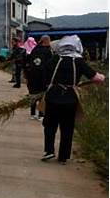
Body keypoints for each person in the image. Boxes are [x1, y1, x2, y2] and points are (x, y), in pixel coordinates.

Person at [41, 35, 105, 164]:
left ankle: (49, 151)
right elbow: (96, 78)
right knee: (67, 128)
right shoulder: (79, 61)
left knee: (49, 125)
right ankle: (63, 157)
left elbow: (44, 73)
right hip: (70, 99)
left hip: (53, 97)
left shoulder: (55, 59)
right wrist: (102, 77)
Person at [25, 35, 52, 120]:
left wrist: (27, 75)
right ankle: (41, 114)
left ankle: (33, 114)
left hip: (32, 76)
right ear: (46, 41)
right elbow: (50, 66)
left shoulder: (34, 49)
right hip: (42, 77)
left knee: (33, 94)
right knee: (42, 96)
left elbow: (28, 63)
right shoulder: (48, 51)